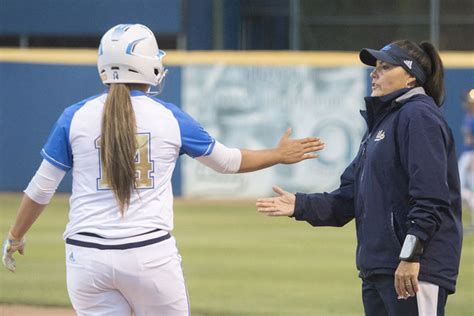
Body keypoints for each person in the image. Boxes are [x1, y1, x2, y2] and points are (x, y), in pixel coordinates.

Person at [1, 24, 324, 315]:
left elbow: (41, 188)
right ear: (147, 64)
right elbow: (227, 162)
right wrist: (278, 154)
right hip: (149, 255)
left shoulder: (74, 117)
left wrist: (15, 236)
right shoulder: (169, 117)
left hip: (85, 259)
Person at [257, 40, 462, 316]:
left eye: (385, 67)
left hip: (413, 270)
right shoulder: (382, 124)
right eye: (375, 67)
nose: (373, 74)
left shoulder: (418, 115)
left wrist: (411, 255)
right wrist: (300, 205)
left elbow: (431, 197)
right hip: (379, 267)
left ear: (411, 77)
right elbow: (348, 198)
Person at [458, 89, 474, 229]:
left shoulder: (472, 118)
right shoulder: (468, 116)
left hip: (471, 155)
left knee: (465, 188)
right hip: (467, 154)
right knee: (462, 187)